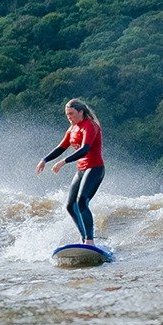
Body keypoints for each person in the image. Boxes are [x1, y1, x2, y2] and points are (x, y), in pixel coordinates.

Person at [36, 98, 105, 246]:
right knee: (70, 205)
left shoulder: (90, 126)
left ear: (81, 112)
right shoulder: (72, 128)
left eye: (72, 114)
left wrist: (64, 162)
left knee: (82, 201)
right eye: (67, 115)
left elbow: (85, 149)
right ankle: (84, 238)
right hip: (81, 170)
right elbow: (61, 147)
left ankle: (90, 241)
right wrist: (45, 160)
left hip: (95, 168)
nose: (69, 117)